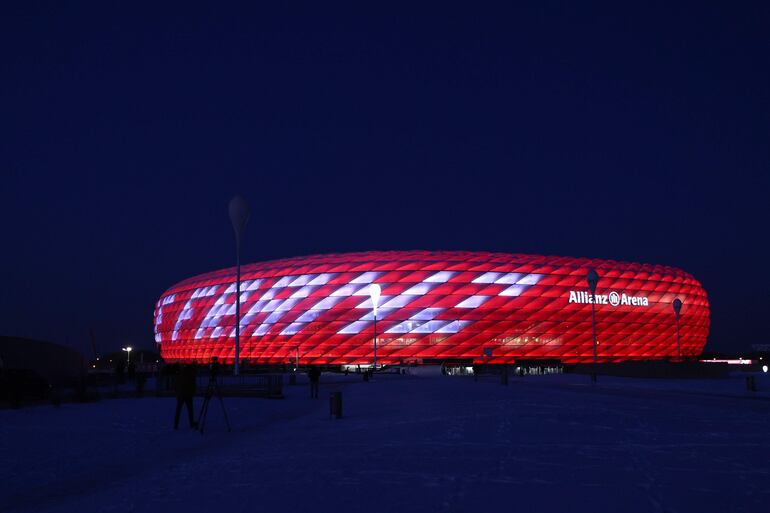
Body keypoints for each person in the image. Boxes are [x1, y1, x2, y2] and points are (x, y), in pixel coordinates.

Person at [174, 364, 198, 429]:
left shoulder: (179, 374)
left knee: (178, 410)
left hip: (181, 394)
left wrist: (177, 392)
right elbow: (193, 385)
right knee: (190, 410)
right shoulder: (191, 375)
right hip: (188, 394)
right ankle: (191, 423)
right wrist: (193, 392)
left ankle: (176, 424)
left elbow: (175, 384)